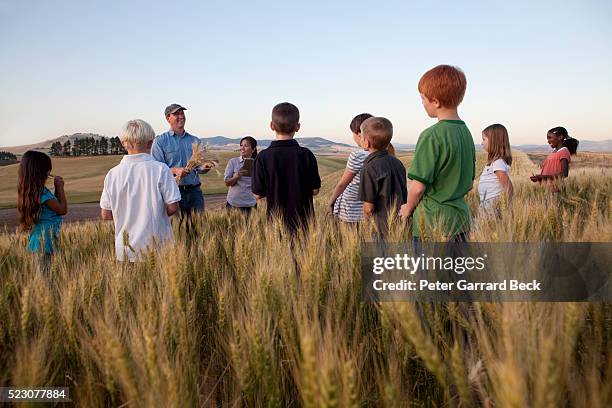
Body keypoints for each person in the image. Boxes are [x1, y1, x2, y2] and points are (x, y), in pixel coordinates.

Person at [399, 65, 476, 242]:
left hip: (432, 224)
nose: (422, 103)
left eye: (422, 99)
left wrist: (407, 209)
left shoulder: (431, 135)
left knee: (431, 270)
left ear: (436, 101)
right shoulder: (466, 133)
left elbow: (418, 187)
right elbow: (470, 184)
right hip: (461, 221)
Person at [100, 119, 181, 262]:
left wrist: (126, 215)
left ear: (122, 142)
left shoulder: (112, 174)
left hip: (125, 251)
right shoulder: (161, 169)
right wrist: (155, 213)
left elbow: (106, 214)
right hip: (159, 247)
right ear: (151, 143)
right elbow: (173, 206)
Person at [252, 102, 321, 233]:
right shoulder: (307, 155)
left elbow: (257, 194)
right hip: (304, 224)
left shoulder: (263, 157)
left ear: (271, 126)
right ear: (297, 127)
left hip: (275, 224)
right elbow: (315, 191)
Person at [151, 104, 211, 222]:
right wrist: (175, 171)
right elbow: (156, 169)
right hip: (174, 192)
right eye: (176, 114)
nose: (181, 116)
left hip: (195, 192)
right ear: (168, 118)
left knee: (199, 229)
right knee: (178, 230)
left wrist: (205, 167)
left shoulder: (195, 140)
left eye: (182, 113)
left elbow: (199, 167)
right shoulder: (160, 142)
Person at [358, 117, 407, 240]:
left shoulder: (369, 168)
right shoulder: (398, 163)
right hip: (402, 222)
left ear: (367, 142)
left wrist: (366, 224)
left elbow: (368, 207)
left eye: (362, 137)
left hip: (381, 227)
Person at [18, 150, 67, 271]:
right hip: (44, 243)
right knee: (45, 280)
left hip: (42, 241)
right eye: (47, 169)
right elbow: (62, 209)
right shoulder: (42, 193)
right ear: (39, 172)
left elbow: (54, 206)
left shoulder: (34, 191)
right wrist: (60, 188)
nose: (49, 172)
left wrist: (56, 189)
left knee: (45, 277)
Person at [327, 113, 373, 223]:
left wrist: (331, 203)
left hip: (351, 211)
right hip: (370, 212)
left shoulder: (358, 155)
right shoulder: (385, 155)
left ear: (359, 134)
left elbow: (342, 184)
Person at [478, 124, 513, 215]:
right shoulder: (495, 162)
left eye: (484, 139)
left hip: (492, 204)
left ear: (494, 141)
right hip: (487, 202)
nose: (481, 143)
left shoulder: (498, 163)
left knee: (483, 227)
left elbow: (509, 187)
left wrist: (505, 207)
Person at [530, 126, 578, 191]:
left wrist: (543, 177)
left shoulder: (564, 151)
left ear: (560, 137)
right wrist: (539, 178)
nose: (548, 141)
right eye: (547, 139)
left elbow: (564, 174)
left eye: (550, 138)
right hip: (546, 189)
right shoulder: (554, 152)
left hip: (555, 190)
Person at [224, 136, 258, 214]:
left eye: (245, 146)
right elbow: (227, 183)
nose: (242, 148)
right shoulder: (233, 162)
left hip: (251, 204)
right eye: (241, 145)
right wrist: (237, 176)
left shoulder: (257, 164)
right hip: (233, 204)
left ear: (253, 149)